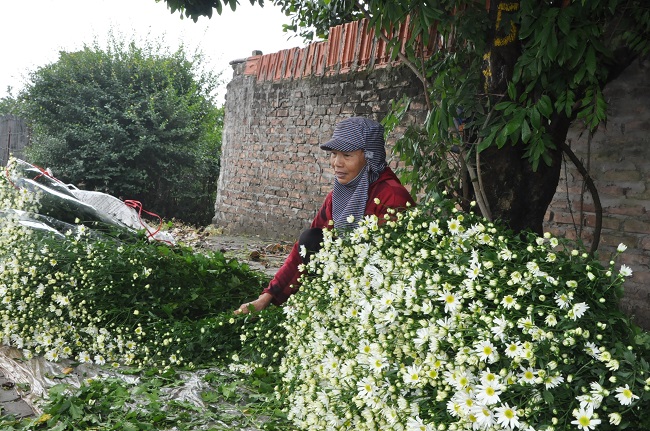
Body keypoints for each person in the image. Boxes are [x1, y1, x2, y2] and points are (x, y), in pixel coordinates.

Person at [235, 116, 415, 314]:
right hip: (341, 280)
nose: (336, 163)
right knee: (312, 238)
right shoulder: (337, 196)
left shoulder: (392, 196)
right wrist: (266, 298)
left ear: (369, 158)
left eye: (347, 156)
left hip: (378, 291)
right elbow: (304, 248)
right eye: (334, 154)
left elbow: (394, 264)